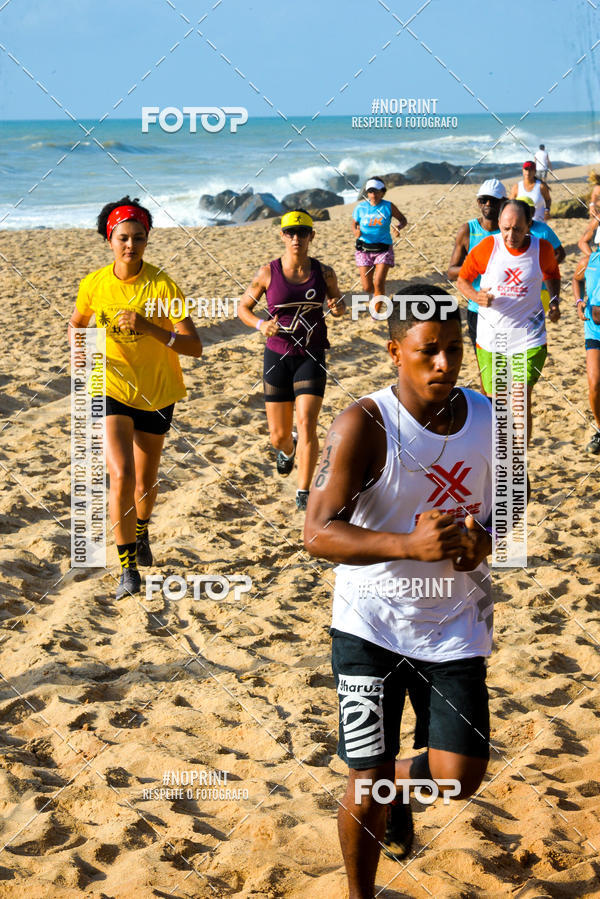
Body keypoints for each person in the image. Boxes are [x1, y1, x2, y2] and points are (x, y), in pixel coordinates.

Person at [304, 286, 495, 899]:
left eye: (454, 351)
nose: (444, 364)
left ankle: (396, 792)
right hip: (370, 625)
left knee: (459, 778)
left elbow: (509, 508)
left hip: (455, 624)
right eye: (428, 352)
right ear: (396, 351)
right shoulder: (364, 423)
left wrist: (483, 543)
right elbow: (316, 533)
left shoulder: (490, 416)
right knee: (365, 782)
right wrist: (405, 546)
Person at [69, 196, 202, 600]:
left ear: (147, 240)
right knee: (122, 475)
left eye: (139, 238)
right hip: (111, 387)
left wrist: (149, 327)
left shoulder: (162, 285)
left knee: (145, 482)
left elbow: (194, 346)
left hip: (157, 391)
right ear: (110, 239)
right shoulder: (94, 283)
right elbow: (77, 323)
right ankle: (128, 570)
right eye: (123, 238)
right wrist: (77, 349)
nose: (131, 245)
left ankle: (141, 531)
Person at [238, 209, 345, 511]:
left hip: (311, 355)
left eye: (302, 233)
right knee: (278, 436)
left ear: (312, 235)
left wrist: (337, 306)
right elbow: (243, 308)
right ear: (282, 236)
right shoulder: (267, 272)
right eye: (290, 233)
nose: (296, 238)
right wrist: (261, 325)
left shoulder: (324, 273)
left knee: (307, 423)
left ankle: (304, 491)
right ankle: (288, 450)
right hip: (277, 356)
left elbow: (338, 305)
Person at [457, 198, 561, 443]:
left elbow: (552, 274)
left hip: (529, 337)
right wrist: (476, 296)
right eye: (505, 228)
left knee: (521, 395)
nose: (510, 235)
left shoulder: (542, 248)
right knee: (496, 403)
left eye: (517, 229)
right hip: (492, 338)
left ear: (529, 226)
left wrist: (554, 300)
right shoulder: (486, 247)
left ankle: (518, 459)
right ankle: (501, 454)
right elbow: (462, 279)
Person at [447, 178, 507, 354]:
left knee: (505, 366)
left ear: (504, 202)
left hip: (507, 307)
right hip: (477, 308)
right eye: (483, 200)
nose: (488, 204)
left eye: (494, 200)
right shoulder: (467, 230)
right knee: (485, 367)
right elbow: (451, 272)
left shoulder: (510, 230)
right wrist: (478, 266)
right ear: (478, 202)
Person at [352, 177, 407, 313]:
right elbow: (354, 223)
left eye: (376, 192)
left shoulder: (388, 206)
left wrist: (398, 227)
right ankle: (378, 294)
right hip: (364, 249)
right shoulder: (361, 207)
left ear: (382, 192)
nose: (373, 195)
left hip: (383, 249)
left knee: (378, 282)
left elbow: (403, 219)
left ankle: (376, 312)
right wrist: (356, 231)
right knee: (367, 287)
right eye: (370, 192)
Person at [516, 194, 565, 311]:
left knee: (534, 324)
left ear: (533, 212)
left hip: (541, 288)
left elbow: (560, 253)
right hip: (516, 288)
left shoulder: (543, 230)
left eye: (528, 209)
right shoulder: (511, 229)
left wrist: (544, 268)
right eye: (520, 208)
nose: (524, 212)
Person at [572, 252, 600, 453]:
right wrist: (578, 301)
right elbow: (576, 278)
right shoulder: (589, 261)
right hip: (594, 329)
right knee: (595, 383)